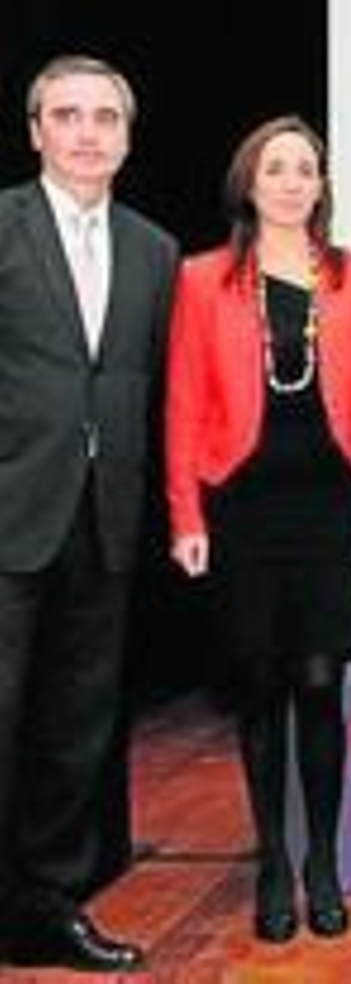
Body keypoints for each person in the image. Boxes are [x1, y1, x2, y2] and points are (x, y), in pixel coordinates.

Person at [164, 115, 351, 943]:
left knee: (318, 685)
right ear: (249, 182)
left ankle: (323, 864)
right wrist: (187, 516)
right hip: (242, 509)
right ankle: (271, 860)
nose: (294, 182)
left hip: (331, 508)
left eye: (308, 169)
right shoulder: (203, 280)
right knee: (260, 688)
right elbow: (184, 405)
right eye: (278, 168)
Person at [0, 54, 177, 974]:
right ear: (35, 130)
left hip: (105, 523)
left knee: (77, 727)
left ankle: (45, 909)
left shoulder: (153, 250)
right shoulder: (2, 225)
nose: (86, 133)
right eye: (66, 115)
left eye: (105, 117)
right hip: (9, 514)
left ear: (127, 135)